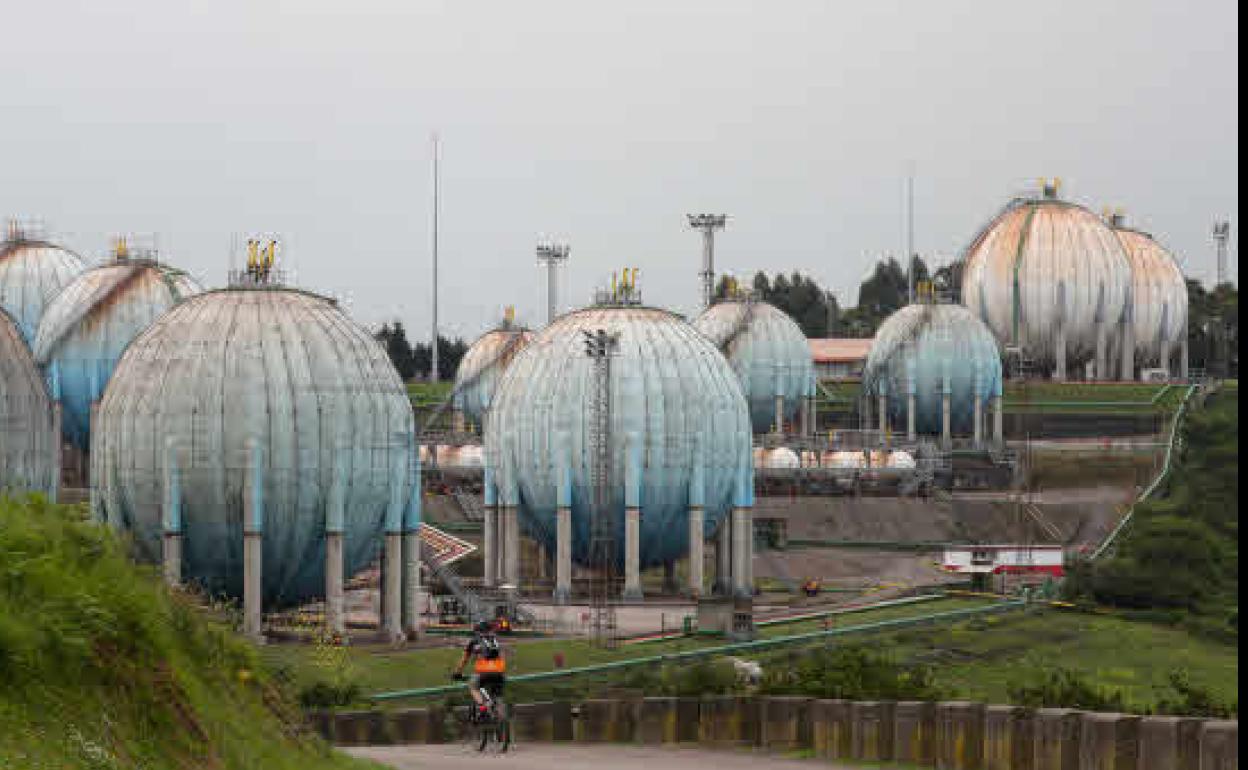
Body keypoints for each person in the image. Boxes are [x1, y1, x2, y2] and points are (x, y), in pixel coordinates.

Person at [452, 619, 506, 719]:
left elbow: (464, 660)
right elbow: (502, 656)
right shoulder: (495, 640)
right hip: (499, 672)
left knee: (473, 686)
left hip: (484, 671)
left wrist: (457, 673)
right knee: (497, 695)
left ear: (477, 631)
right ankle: (500, 715)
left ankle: (482, 707)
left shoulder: (474, 641)